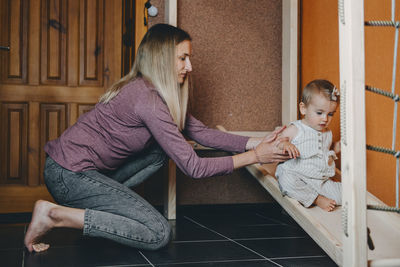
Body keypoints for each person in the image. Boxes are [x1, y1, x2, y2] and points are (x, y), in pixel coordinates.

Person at [24, 23, 291, 253]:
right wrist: (256, 157)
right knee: (157, 233)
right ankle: (54, 215)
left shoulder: (152, 92)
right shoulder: (148, 101)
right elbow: (194, 167)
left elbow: (200, 132)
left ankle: (104, 212)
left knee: (161, 150)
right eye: (183, 58)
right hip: (69, 176)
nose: (190, 66)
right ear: (162, 59)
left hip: (80, 173)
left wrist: (259, 142)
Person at [275, 79, 341, 212]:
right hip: (298, 176)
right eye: (319, 113)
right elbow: (278, 141)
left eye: (330, 114)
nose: (325, 119)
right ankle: (316, 199)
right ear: (303, 108)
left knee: (344, 193)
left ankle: (323, 194)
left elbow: (326, 149)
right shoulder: (297, 129)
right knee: (286, 180)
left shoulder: (327, 132)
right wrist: (285, 144)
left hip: (320, 180)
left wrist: (337, 148)